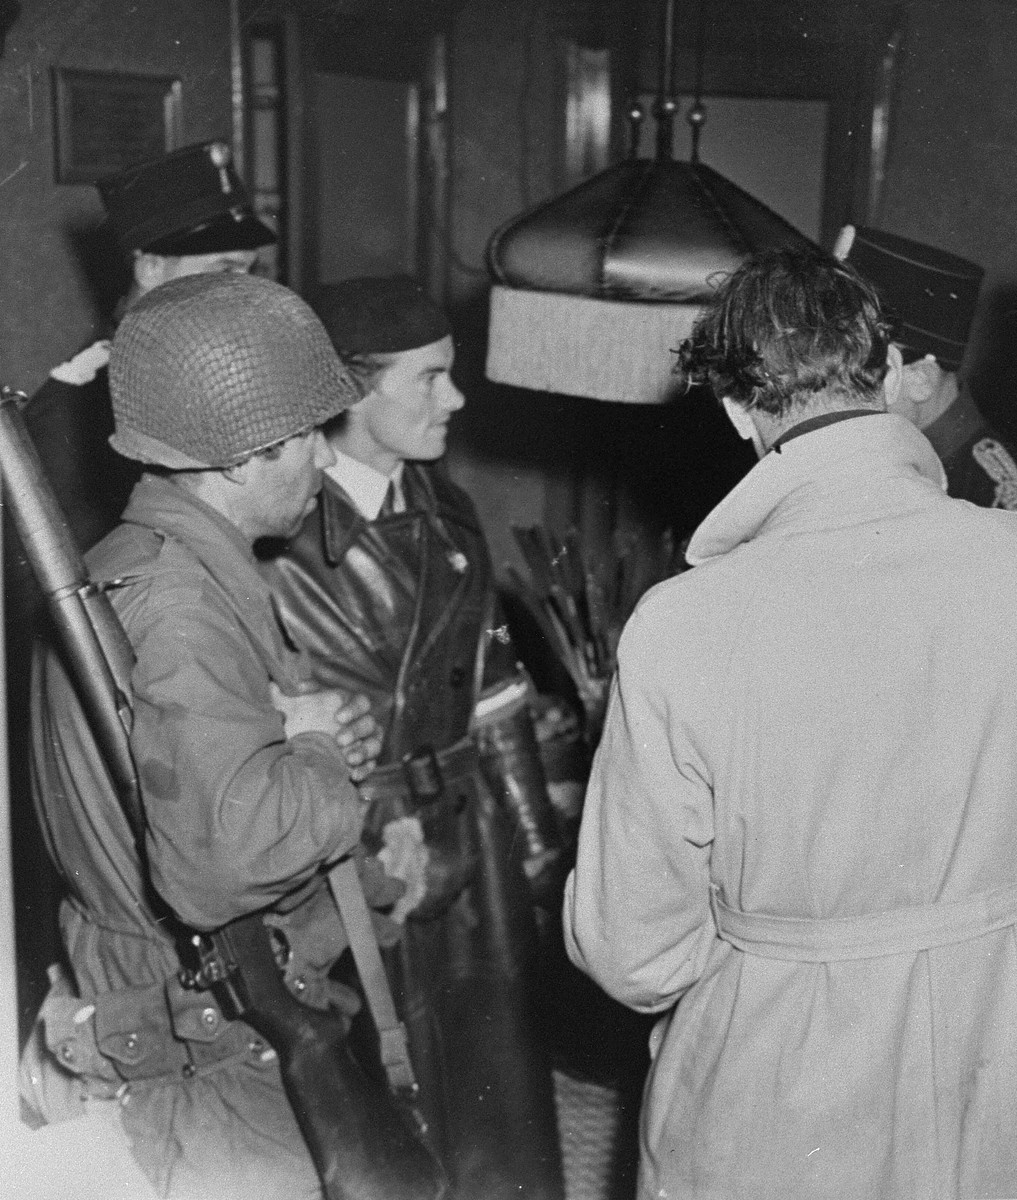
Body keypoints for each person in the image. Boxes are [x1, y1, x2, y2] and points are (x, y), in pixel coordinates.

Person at [565, 247, 1017, 1199]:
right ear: (885, 377)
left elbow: (634, 951)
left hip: (775, 1086)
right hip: (1009, 1066)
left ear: (737, 409)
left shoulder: (683, 622)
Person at [23, 272, 390, 1199]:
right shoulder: (180, 605)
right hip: (212, 1052)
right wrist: (316, 754)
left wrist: (283, 736)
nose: (323, 456)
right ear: (236, 459)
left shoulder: (142, 563)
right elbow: (226, 860)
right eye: (306, 434)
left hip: (212, 1015)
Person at [261, 275, 565, 1200]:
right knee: (372, 1112)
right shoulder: (274, 538)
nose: (456, 399)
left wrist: (541, 849)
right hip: (351, 857)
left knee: (494, 1107)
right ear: (352, 391)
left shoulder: (450, 511)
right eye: (429, 378)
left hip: (469, 839)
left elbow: (494, 695)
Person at [24, 139, 275, 552]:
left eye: (250, 271)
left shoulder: (210, 373)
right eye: (224, 270)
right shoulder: (82, 404)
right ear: (150, 267)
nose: (243, 292)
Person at [834, 224, 1017, 516]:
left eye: (854, 373)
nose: (833, 390)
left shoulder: (999, 501)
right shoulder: (870, 461)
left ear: (921, 380)